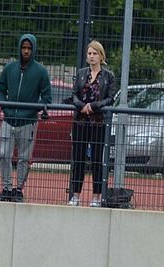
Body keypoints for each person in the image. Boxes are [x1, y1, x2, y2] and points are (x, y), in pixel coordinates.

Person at [0, 34, 51, 203]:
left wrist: (31, 110)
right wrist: (5, 106)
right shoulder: (10, 68)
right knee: (3, 154)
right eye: (23, 48)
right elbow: (0, 89)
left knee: (24, 158)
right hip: (8, 119)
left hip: (28, 122)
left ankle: (18, 189)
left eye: (29, 48)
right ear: (19, 48)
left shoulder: (41, 71)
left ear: (34, 49)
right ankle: (6, 188)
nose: (26, 51)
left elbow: (47, 98)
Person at [68, 40, 117, 207]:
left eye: (95, 53)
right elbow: (74, 94)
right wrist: (81, 106)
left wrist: (93, 106)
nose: (91, 56)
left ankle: (96, 196)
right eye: (89, 53)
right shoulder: (81, 73)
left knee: (96, 159)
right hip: (80, 121)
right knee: (78, 159)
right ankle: (75, 195)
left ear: (101, 56)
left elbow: (110, 98)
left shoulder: (108, 76)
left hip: (98, 122)